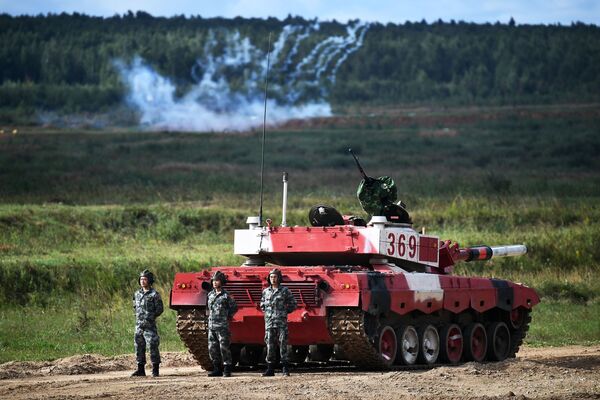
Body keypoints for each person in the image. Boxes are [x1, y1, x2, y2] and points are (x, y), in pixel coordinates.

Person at [260, 268, 297, 377]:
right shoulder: (266, 292)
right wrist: (268, 313)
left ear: (279, 278)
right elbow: (262, 304)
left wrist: (284, 312)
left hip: (281, 322)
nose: (273, 279)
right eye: (271, 277)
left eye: (275, 277)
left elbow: (293, 304)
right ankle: (270, 369)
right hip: (269, 322)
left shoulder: (285, 291)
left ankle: (285, 368)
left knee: (283, 345)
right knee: (270, 345)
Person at [131, 269, 164, 377]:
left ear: (149, 281)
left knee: (153, 346)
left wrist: (150, 316)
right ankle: (140, 369)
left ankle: (155, 369)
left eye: (145, 279)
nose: (142, 281)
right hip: (139, 325)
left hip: (150, 326)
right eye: (141, 279)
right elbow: (135, 306)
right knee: (138, 347)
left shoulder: (154, 294)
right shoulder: (137, 294)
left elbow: (159, 309)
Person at [207, 271, 238, 377]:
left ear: (222, 282)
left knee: (224, 348)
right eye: (214, 281)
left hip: (222, 326)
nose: (215, 283)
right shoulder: (210, 295)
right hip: (212, 326)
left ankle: (227, 368)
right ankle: (216, 368)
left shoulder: (226, 295)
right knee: (212, 348)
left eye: (217, 281)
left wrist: (226, 316)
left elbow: (234, 307)